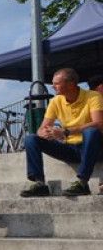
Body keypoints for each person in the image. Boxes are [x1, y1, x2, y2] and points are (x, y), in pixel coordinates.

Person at [20, 67, 103, 198]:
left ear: (70, 84)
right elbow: (41, 128)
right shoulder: (56, 101)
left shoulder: (93, 96)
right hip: (69, 148)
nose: (52, 86)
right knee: (31, 138)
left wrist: (67, 132)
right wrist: (46, 133)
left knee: (91, 132)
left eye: (56, 83)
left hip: (92, 148)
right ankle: (40, 184)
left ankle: (82, 183)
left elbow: (99, 123)